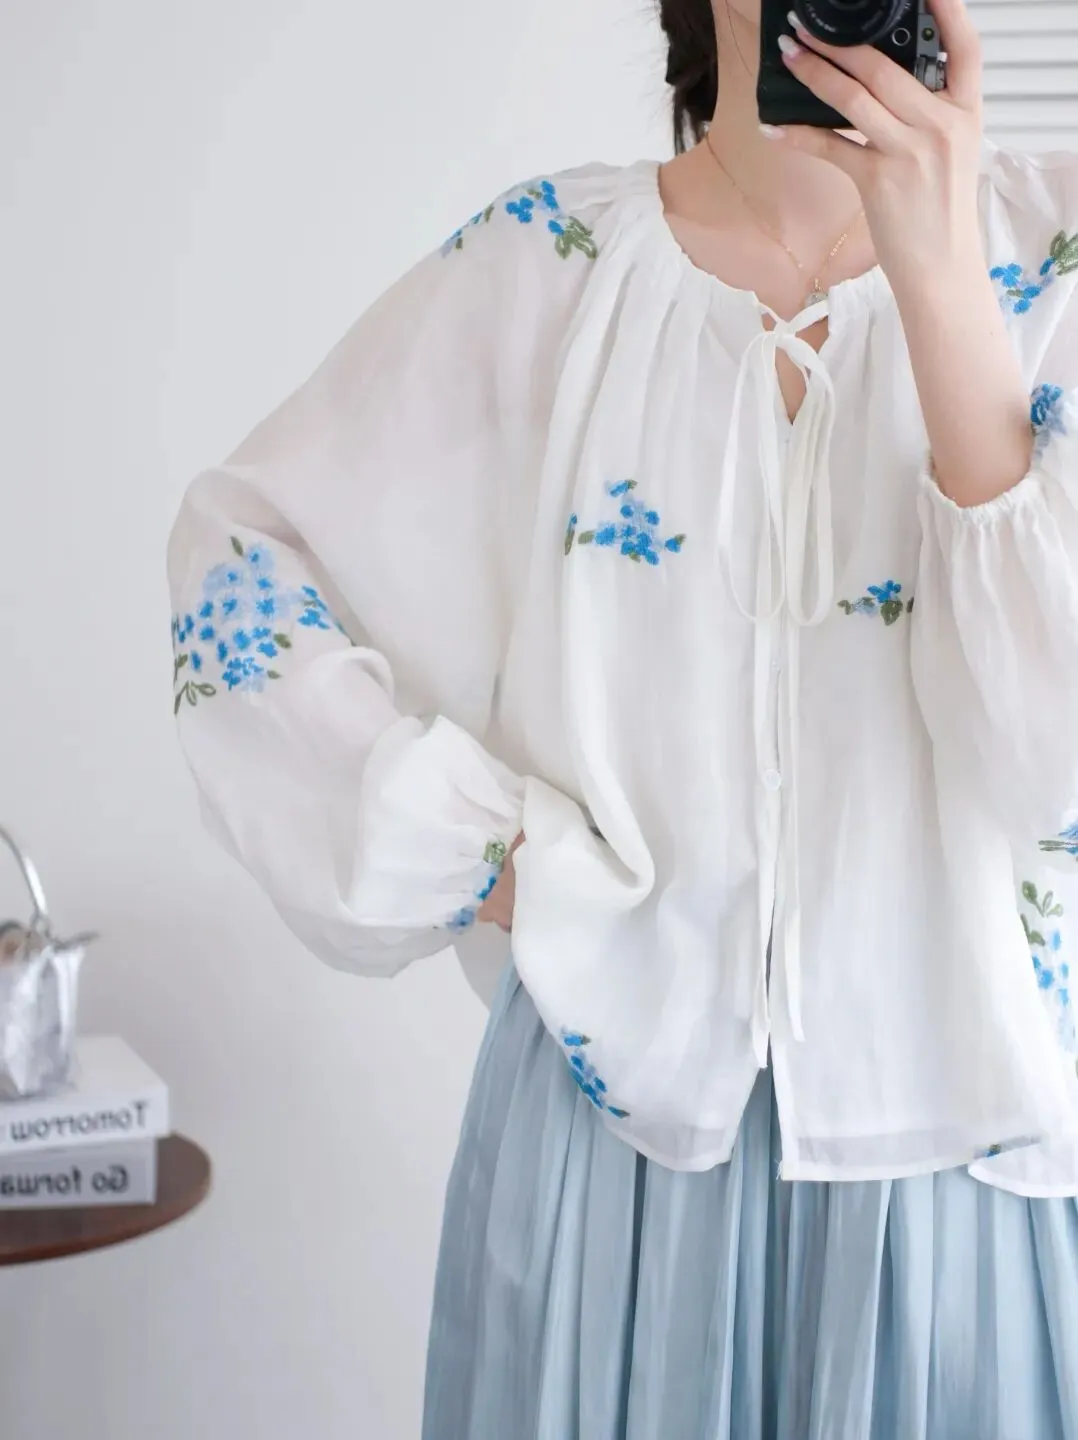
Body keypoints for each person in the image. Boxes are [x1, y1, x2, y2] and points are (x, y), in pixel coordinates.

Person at [168, 0, 1078, 1433]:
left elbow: (1055, 774)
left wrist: (947, 290)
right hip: (609, 1177)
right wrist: (496, 860)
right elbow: (240, 567)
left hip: (964, 1173)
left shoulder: (1059, 257)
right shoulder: (545, 269)